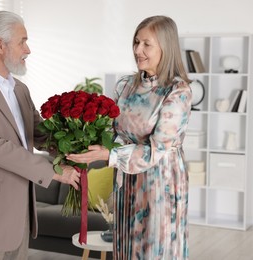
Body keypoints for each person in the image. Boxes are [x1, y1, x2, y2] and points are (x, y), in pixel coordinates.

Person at [0, 11, 80, 260]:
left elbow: (38, 132)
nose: (27, 49)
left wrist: (74, 142)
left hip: (20, 217)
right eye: (22, 41)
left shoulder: (20, 89)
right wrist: (54, 171)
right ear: (0, 44)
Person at [67, 15, 192, 259]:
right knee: (126, 247)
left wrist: (109, 154)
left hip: (160, 183)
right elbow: (111, 131)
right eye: (136, 42)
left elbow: (157, 149)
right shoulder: (125, 85)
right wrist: (80, 137)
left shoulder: (178, 91)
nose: (138, 50)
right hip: (126, 181)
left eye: (147, 44)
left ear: (166, 47)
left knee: (155, 250)